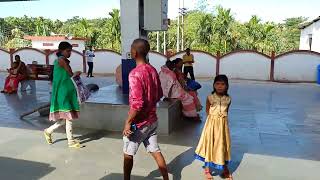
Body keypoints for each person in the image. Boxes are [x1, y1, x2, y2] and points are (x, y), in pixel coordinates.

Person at [122, 39, 169, 180]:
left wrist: (128, 122)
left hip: (139, 124)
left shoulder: (134, 74)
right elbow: (159, 93)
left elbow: (137, 104)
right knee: (155, 150)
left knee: (128, 154)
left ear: (134, 53)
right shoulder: (152, 70)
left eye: (131, 49)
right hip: (152, 120)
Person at [43, 41, 82, 149]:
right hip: (63, 93)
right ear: (61, 51)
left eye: (70, 51)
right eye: (68, 51)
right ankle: (70, 141)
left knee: (65, 118)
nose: (69, 53)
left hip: (65, 92)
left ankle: (48, 131)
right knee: (68, 117)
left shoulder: (62, 60)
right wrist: (77, 73)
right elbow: (70, 74)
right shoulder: (61, 61)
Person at [194, 75, 233, 180]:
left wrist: (221, 122)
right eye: (217, 84)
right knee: (210, 145)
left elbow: (226, 112)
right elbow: (207, 111)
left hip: (223, 127)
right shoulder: (210, 97)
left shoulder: (228, 99)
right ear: (214, 85)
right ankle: (207, 169)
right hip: (211, 126)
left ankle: (225, 169)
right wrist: (212, 122)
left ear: (227, 86)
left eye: (223, 84)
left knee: (222, 145)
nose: (220, 86)